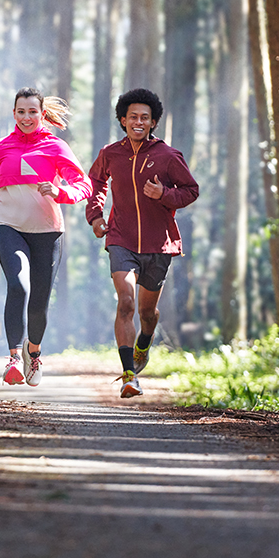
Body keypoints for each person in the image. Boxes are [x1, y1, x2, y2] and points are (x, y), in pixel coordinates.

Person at [86, 88, 199, 398]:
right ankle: (128, 376)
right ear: (123, 120)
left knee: (147, 313)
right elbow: (95, 182)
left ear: (153, 123)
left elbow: (191, 190)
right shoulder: (111, 153)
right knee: (125, 302)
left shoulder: (167, 156)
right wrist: (96, 217)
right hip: (120, 238)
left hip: (158, 244)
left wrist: (163, 194)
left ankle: (145, 342)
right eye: (133, 117)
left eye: (145, 118)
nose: (138, 122)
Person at [0, 87, 92, 387]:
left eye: (32, 112)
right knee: (18, 285)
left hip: (47, 230)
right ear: (13, 113)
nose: (27, 117)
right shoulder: (1, 147)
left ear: (42, 114)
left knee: (39, 302)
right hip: (8, 225)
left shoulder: (56, 147)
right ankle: (14, 358)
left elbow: (84, 185)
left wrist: (61, 192)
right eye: (21, 111)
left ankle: (34, 352)